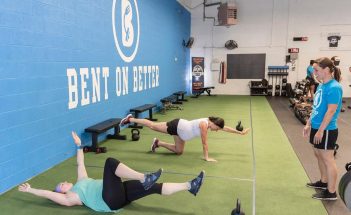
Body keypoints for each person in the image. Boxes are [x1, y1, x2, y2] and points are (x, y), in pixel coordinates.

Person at [18, 132, 205, 212]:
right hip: (109, 201)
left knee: (154, 187)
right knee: (109, 163)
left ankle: (190, 186)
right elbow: (49, 194)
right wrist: (30, 190)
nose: (64, 182)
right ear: (63, 191)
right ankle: (143, 177)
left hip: (118, 194)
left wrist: (78, 145)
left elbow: (80, 162)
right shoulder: (72, 197)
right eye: (61, 185)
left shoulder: (81, 180)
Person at [120, 115, 250, 162]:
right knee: (153, 126)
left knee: (179, 151)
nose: (217, 131)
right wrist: (207, 157)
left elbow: (225, 128)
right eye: (217, 128)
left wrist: (240, 133)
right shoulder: (204, 125)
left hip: (181, 133)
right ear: (214, 124)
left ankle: (158, 143)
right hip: (177, 126)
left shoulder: (212, 123)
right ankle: (130, 119)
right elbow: (204, 143)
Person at [303, 57, 343, 201]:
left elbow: (331, 111)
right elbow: (317, 108)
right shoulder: (321, 86)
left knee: (328, 159)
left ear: (326, 70)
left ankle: (331, 192)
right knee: (318, 154)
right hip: (316, 126)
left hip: (326, 129)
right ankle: (323, 181)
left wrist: (320, 130)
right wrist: (308, 123)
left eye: (316, 70)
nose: (314, 72)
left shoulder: (334, 87)